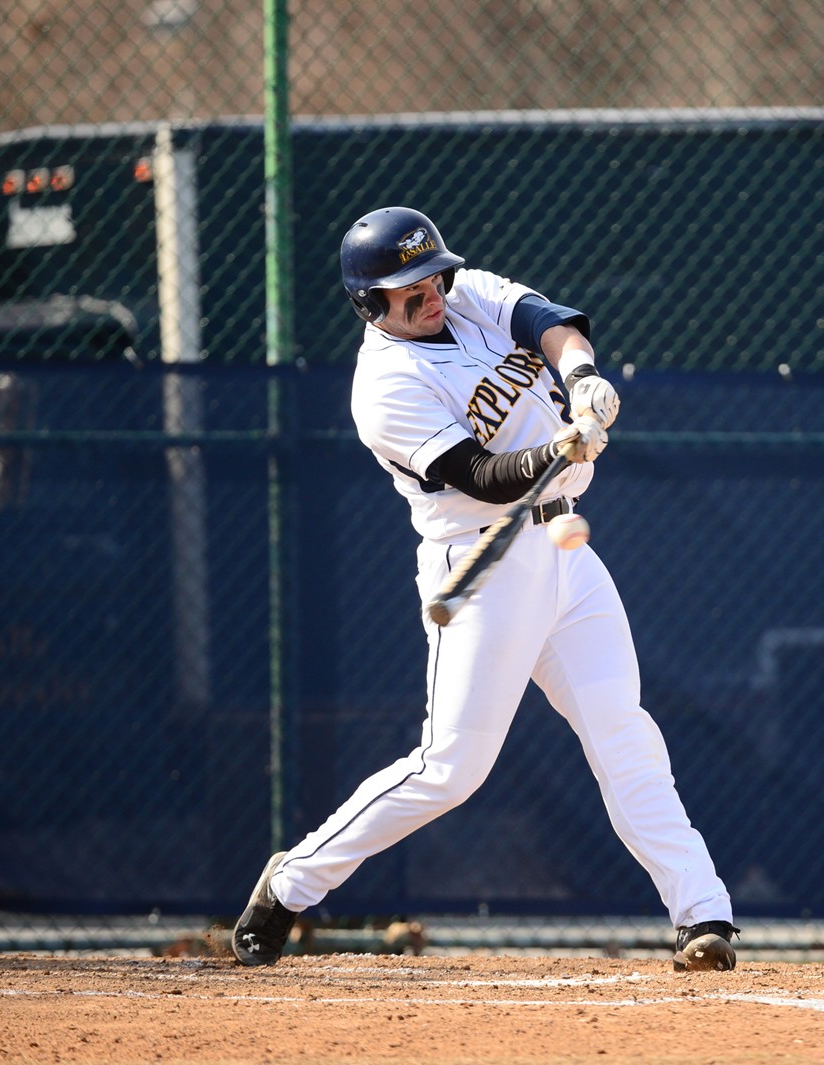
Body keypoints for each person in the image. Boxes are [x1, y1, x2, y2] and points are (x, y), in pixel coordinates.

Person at [229, 207, 739, 972]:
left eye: (431, 274)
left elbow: (545, 320)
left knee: (622, 731)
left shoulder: (462, 293)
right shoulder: (384, 388)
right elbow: (481, 477)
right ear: (370, 305)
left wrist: (582, 376)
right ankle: (289, 883)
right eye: (408, 289)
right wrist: (556, 447)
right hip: (483, 564)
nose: (430, 292)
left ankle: (702, 914)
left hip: (566, 547)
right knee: (451, 768)